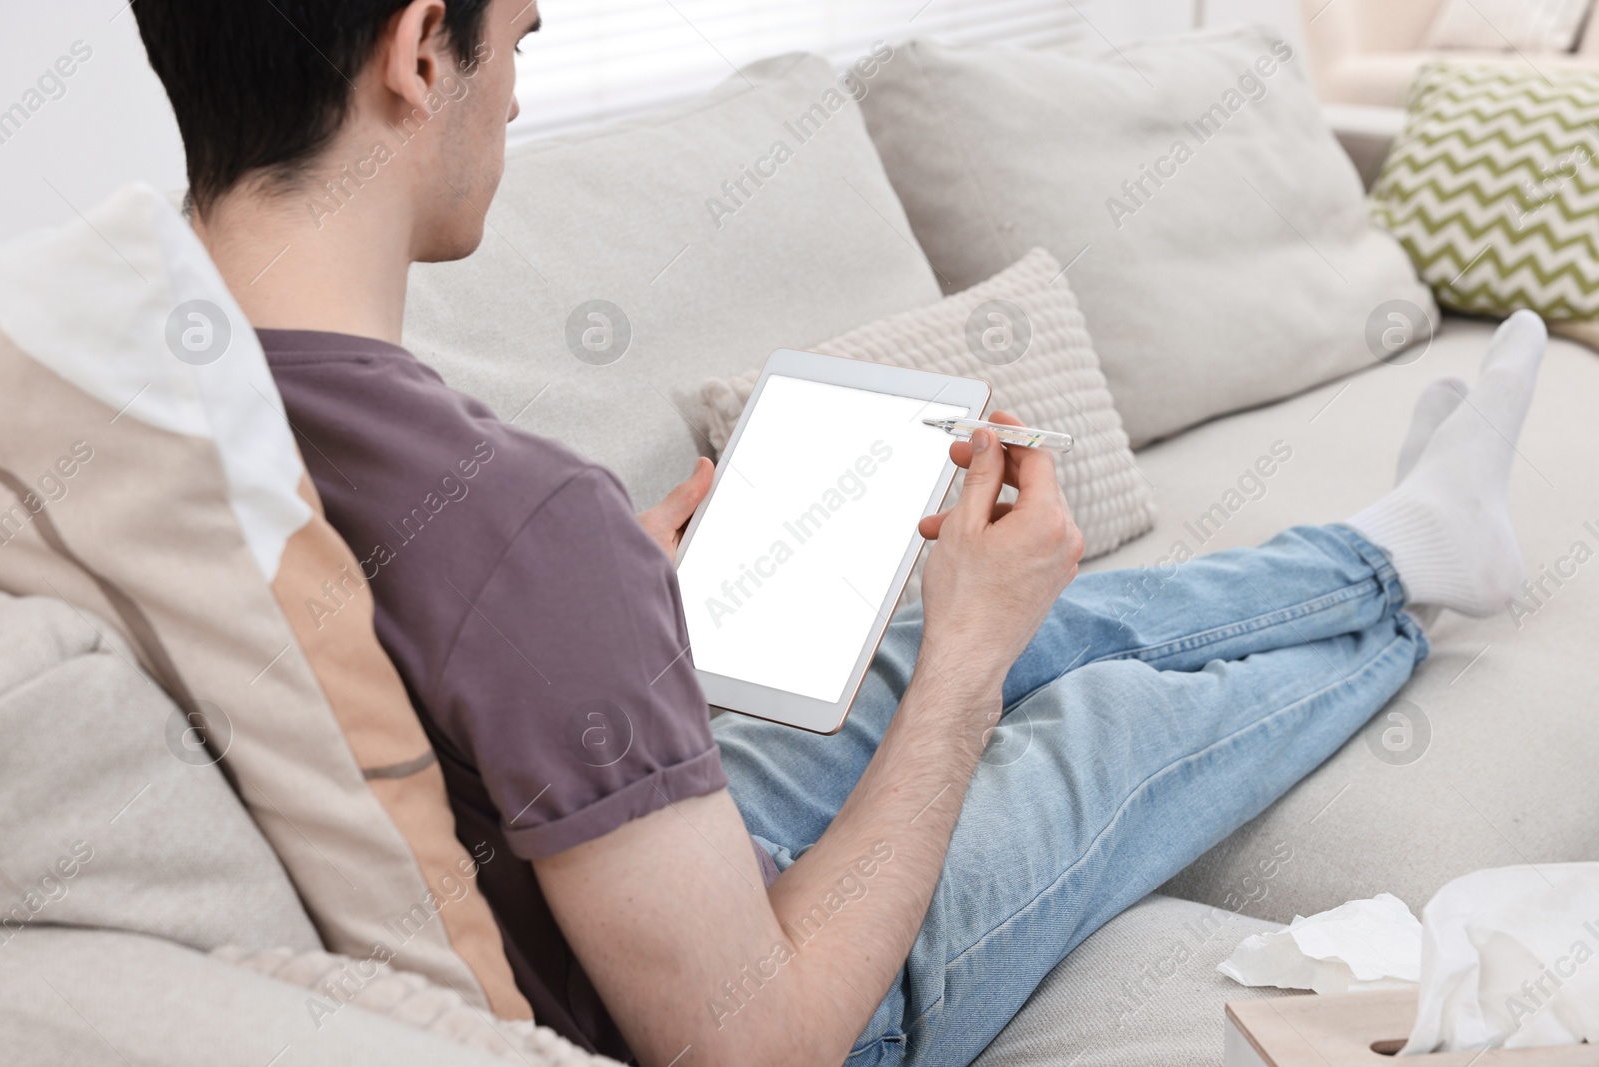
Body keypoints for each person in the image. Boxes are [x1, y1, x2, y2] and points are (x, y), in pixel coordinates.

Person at [131, 1, 1545, 1063]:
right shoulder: (514, 515)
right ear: (422, 49)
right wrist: (968, 675)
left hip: (593, 862)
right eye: (520, 42)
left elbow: (394, 644)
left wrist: (590, 617)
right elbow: (763, 1041)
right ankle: (1417, 583)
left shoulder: (132, 385)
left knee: (921, 625)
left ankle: (1396, 542)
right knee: (1096, 709)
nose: (512, 92)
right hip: (775, 985)